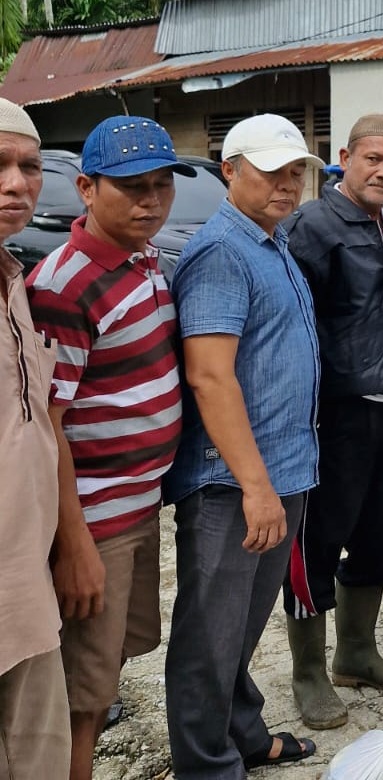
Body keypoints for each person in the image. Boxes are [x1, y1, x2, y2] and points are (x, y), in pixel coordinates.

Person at [26, 116, 191, 780]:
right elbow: (47, 423)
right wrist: (74, 547)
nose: (151, 201)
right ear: (87, 189)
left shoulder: (144, 258)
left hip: (137, 507)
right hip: (95, 520)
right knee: (81, 692)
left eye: (161, 185)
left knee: (110, 662)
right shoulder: (62, 287)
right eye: (132, 187)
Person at [163, 114, 323, 776]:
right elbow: (209, 375)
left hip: (280, 470)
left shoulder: (270, 241)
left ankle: (242, 736)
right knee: (210, 635)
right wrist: (256, 487)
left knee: (242, 625)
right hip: (232, 482)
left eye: (295, 172)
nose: (287, 184)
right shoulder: (222, 252)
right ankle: (207, 765)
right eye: (270, 171)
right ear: (229, 170)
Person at [280, 113, 383, 729]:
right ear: (345, 157)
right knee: (316, 539)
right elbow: (290, 321)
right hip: (333, 414)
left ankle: (357, 652)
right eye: (374, 159)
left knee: (381, 530)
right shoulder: (312, 227)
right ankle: (309, 672)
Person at [0, 98, 71, 780]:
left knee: (39, 755)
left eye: (29, 167)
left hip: (26, 581)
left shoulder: (16, 280)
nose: (16, 184)